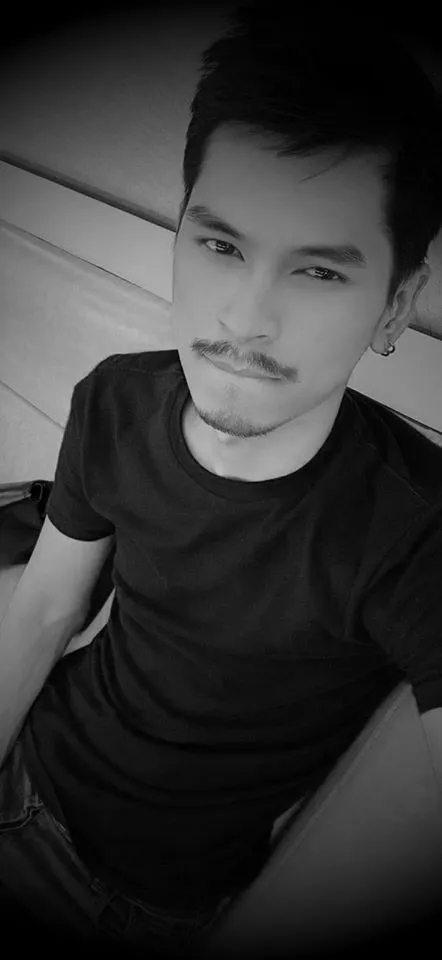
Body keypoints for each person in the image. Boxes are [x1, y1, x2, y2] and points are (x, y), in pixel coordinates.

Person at [1, 3, 442, 957]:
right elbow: (43, 611)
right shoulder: (115, 399)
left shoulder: (417, 528)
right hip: (26, 762)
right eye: (220, 245)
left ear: (395, 305)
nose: (245, 319)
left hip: (133, 902)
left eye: (319, 272)